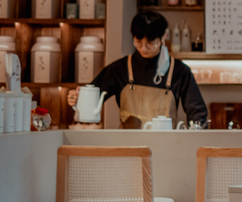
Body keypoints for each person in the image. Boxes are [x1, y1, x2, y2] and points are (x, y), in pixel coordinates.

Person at [68, 12, 208, 128]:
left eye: (150, 43)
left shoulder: (179, 71)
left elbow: (197, 112)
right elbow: (93, 94)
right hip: (128, 146)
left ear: (163, 37)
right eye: (138, 42)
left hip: (166, 145)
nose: (144, 48)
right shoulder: (119, 69)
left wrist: (196, 130)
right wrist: (77, 97)